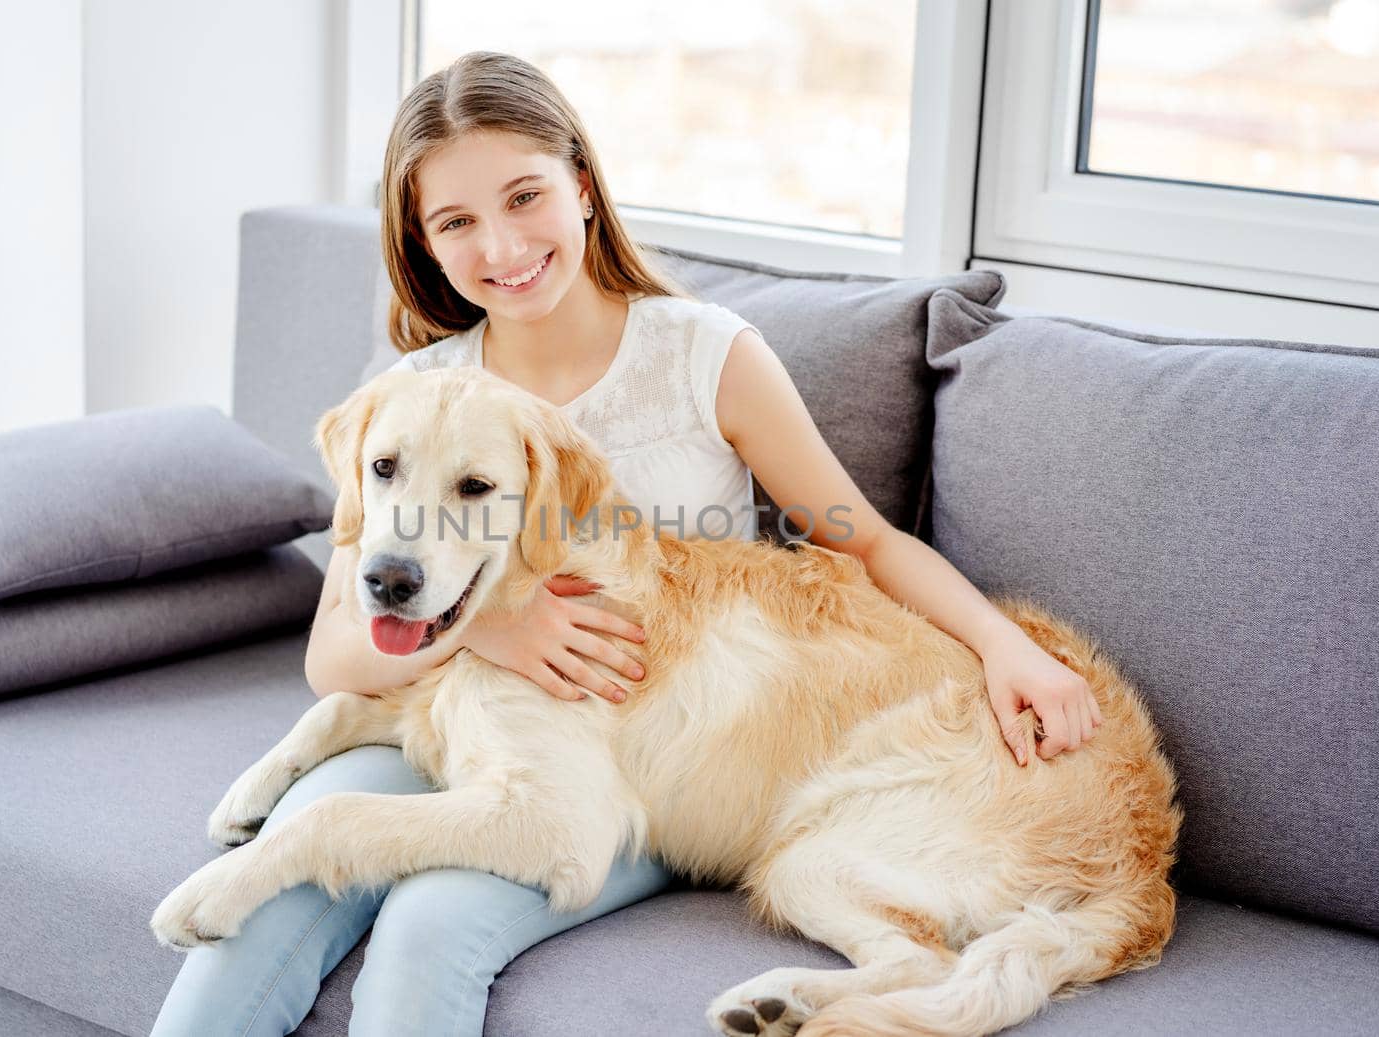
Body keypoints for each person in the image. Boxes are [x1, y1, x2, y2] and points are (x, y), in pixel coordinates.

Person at [151, 50, 1101, 1037]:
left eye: (525, 196)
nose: (503, 243)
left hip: (647, 753)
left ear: (584, 190)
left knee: (427, 922)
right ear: (423, 242)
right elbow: (338, 651)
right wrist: (491, 629)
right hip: (459, 699)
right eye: (457, 221)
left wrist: (1007, 644)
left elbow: (861, 543)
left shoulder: (703, 353)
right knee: (266, 891)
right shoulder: (419, 393)